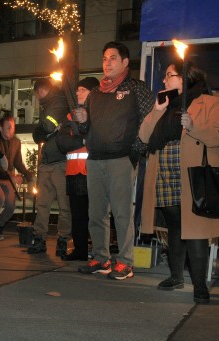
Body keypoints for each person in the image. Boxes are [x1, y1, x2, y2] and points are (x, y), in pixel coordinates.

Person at [139, 63, 219, 303]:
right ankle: (176, 276)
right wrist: (157, 110)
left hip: (193, 171)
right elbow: (144, 136)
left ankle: (200, 285)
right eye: (165, 76)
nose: (165, 80)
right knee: (174, 226)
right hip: (165, 167)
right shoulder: (165, 105)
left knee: (195, 229)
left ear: (186, 77)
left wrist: (193, 127)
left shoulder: (210, 102)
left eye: (170, 75)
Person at [76, 41, 152, 280]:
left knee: (121, 213)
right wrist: (82, 120)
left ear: (125, 62)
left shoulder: (136, 88)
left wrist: (134, 152)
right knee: (96, 213)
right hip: (95, 159)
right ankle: (101, 258)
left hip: (121, 159)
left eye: (113, 58)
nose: (107, 63)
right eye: (104, 58)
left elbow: (149, 121)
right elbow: (84, 130)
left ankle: (126, 262)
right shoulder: (95, 93)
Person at [28, 77, 81, 256]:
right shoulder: (50, 105)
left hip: (59, 162)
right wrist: (44, 131)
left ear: (42, 90)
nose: (37, 98)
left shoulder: (58, 102)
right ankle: (41, 239)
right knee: (43, 205)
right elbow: (39, 134)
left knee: (63, 205)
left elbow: (48, 124)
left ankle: (62, 240)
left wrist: (44, 129)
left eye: (37, 94)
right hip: (48, 161)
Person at [62, 77, 100, 261]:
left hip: (92, 171)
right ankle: (80, 250)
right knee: (77, 216)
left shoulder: (99, 114)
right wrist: (80, 140)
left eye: (82, 90)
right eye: (77, 90)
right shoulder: (70, 116)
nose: (78, 92)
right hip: (73, 172)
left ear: (93, 92)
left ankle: (98, 251)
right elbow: (62, 142)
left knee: (95, 216)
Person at [0, 115, 33, 241]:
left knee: (11, 206)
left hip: (7, 177)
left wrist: (28, 175)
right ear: (0, 128)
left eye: (13, 128)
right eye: (8, 128)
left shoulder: (16, 142)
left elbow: (18, 163)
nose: (11, 131)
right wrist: (11, 177)